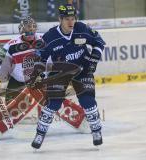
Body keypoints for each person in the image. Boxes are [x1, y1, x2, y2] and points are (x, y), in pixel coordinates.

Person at [30, 4, 106, 149]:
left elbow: (99, 42)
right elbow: (39, 57)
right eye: (67, 19)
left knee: (88, 101)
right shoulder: (50, 37)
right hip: (59, 71)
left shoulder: (82, 29)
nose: (71, 22)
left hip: (82, 69)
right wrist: (37, 74)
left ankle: (96, 131)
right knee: (53, 104)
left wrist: (93, 60)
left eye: (73, 18)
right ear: (60, 19)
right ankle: (39, 134)